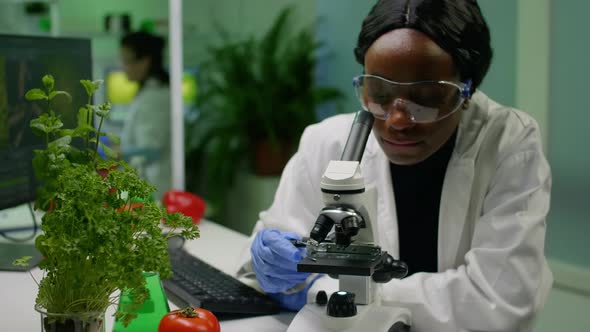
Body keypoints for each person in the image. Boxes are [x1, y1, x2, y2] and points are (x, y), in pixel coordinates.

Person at [237, 0, 552, 331]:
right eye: (380, 94)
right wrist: (271, 263)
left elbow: (498, 302)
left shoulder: (508, 143)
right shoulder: (327, 141)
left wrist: (325, 290)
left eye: (427, 97)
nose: (398, 121)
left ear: (467, 91)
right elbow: (261, 264)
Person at [119, 31, 171, 201]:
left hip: (156, 187)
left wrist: (118, 153)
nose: (123, 67)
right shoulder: (149, 92)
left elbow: (152, 150)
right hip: (149, 186)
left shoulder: (154, 96)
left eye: (127, 61)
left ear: (145, 61)